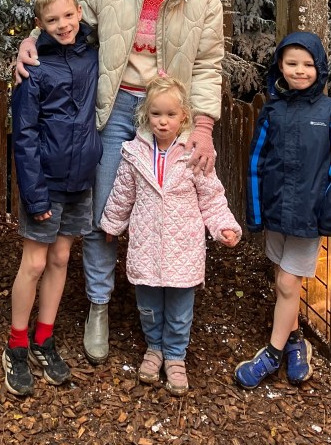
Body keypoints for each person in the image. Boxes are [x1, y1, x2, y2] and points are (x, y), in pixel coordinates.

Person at [16, 0, 224, 364]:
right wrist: (29, 41)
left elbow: (210, 64)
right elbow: (61, 22)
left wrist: (204, 125)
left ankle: (168, 312)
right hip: (115, 108)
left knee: (174, 205)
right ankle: (99, 304)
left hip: (170, 113)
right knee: (103, 214)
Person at [100, 74, 241, 394]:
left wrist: (224, 226)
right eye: (156, 114)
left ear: (184, 117)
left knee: (179, 308)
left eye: (171, 115)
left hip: (183, 247)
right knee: (148, 305)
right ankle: (154, 348)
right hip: (146, 246)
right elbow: (123, 194)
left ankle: (176, 356)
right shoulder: (133, 153)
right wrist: (112, 224)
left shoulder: (194, 154)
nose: (163, 122)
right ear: (145, 115)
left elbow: (211, 197)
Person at [234, 32, 331, 389]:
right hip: (276, 212)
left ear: (320, 67)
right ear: (279, 67)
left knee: (288, 282)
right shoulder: (273, 110)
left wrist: (330, 214)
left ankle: (272, 354)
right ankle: (296, 339)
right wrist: (255, 211)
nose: (299, 71)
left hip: (308, 217)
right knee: (282, 282)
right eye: (291, 64)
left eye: (307, 64)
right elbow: (257, 160)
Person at [3, 0, 102, 397]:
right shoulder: (33, 68)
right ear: (39, 25)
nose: (62, 25)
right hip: (45, 181)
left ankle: (45, 337)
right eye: (51, 20)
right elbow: (23, 135)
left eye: (67, 15)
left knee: (61, 257)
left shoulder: (94, 52)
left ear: (79, 12)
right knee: (35, 262)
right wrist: (35, 193)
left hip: (81, 179)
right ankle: (17, 344)